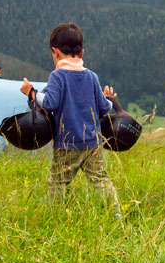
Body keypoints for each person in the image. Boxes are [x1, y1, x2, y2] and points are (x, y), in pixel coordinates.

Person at [19, 23, 119, 209]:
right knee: (101, 181)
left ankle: (54, 215)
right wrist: (110, 100)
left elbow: (50, 103)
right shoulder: (92, 77)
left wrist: (31, 92)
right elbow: (104, 109)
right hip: (93, 143)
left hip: (67, 143)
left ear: (55, 52)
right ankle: (116, 215)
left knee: (58, 182)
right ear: (82, 53)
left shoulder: (58, 76)